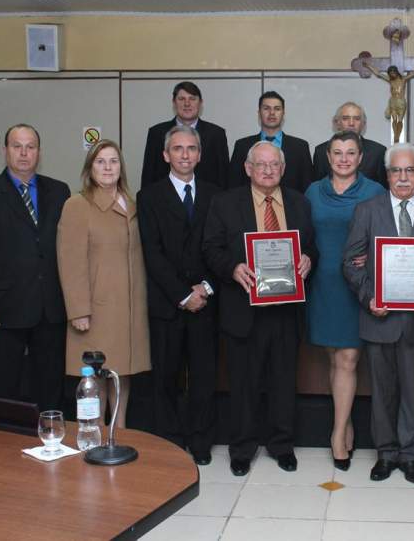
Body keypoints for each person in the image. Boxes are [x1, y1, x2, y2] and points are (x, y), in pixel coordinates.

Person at [343, 143, 414, 484]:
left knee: (412, 390)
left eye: (410, 170)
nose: (403, 177)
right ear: (387, 174)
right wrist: (369, 298)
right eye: (396, 170)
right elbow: (350, 262)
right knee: (382, 391)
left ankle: (410, 455)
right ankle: (385, 453)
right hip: (378, 318)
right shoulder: (367, 210)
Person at [203, 141, 318, 477]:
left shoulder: (299, 202)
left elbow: (310, 245)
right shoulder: (225, 203)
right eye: (261, 164)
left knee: (284, 382)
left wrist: (309, 259)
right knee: (243, 384)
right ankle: (242, 448)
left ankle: (282, 445)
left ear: (283, 169)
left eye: (274, 165)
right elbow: (211, 248)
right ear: (247, 168)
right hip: (243, 308)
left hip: (286, 308)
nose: (268, 170)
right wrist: (233, 268)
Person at [0, 124, 70, 411]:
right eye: (17, 146)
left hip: (50, 307)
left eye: (30, 146)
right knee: (1, 384)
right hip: (3, 308)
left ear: (39, 152)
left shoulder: (59, 191)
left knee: (49, 382)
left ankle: (49, 439)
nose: (24, 153)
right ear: (5, 150)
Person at [137, 125, 220, 465]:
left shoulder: (217, 194)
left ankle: (200, 440)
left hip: (207, 302)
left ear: (200, 155)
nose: (185, 154)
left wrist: (206, 288)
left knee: (203, 377)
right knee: (166, 377)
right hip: (167, 304)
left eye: (191, 148)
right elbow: (151, 252)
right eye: (178, 149)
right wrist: (182, 295)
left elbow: (221, 247)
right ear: (165, 155)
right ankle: (169, 441)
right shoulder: (149, 197)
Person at [58, 140, 150, 429]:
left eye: (113, 161)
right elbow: (69, 262)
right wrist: (78, 310)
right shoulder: (78, 205)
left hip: (130, 311)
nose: (107, 167)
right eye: (100, 162)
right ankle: (95, 436)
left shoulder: (133, 204)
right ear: (90, 168)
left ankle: (119, 433)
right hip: (96, 311)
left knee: (122, 373)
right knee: (95, 378)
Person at [305, 131, 384, 470]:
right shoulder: (311, 191)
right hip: (322, 284)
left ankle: (337, 434)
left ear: (361, 157)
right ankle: (347, 420)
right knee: (333, 358)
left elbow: (387, 236)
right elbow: (303, 236)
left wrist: (373, 259)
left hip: (356, 286)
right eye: (337, 152)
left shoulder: (375, 191)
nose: (343, 159)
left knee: (349, 358)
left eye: (350, 153)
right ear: (328, 156)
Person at [140, 81, 229, 189]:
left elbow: (224, 178)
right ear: (174, 102)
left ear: (200, 103)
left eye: (192, 99)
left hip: (207, 201)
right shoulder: (157, 133)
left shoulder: (216, 134)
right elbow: (148, 175)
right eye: (181, 99)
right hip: (164, 201)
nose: (187, 104)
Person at [229, 91, 313, 193]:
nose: (272, 113)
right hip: (249, 207)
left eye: (277, 109)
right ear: (259, 113)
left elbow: (307, 188)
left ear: (283, 113)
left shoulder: (300, 147)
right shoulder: (242, 146)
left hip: (290, 207)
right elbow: (233, 186)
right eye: (266, 108)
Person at [313, 102, 388, 188]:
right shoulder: (321, 151)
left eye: (357, 118)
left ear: (363, 124)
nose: (351, 123)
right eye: (345, 118)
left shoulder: (378, 152)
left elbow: (383, 192)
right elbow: (318, 187)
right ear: (337, 123)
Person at [363, 60, 414, 143]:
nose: (392, 75)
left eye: (393, 73)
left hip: (401, 102)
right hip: (393, 101)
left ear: (396, 72)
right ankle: (396, 136)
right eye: (390, 74)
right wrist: (368, 66)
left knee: (400, 120)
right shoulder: (390, 80)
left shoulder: (403, 79)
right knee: (394, 119)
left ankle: (397, 135)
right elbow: (378, 74)